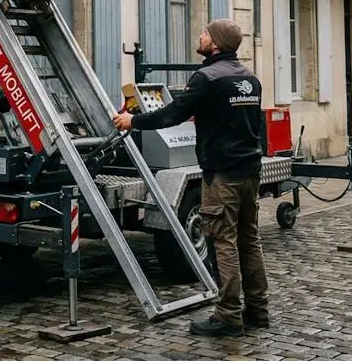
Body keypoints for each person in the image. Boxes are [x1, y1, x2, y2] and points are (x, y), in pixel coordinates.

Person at [111, 19, 268, 337]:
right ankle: (258, 311)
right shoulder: (250, 79)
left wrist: (132, 120)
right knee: (249, 241)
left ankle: (227, 316)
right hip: (250, 170)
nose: (200, 35)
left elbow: (172, 114)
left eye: (206, 33)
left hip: (222, 174)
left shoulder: (207, 77)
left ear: (218, 43)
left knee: (222, 242)